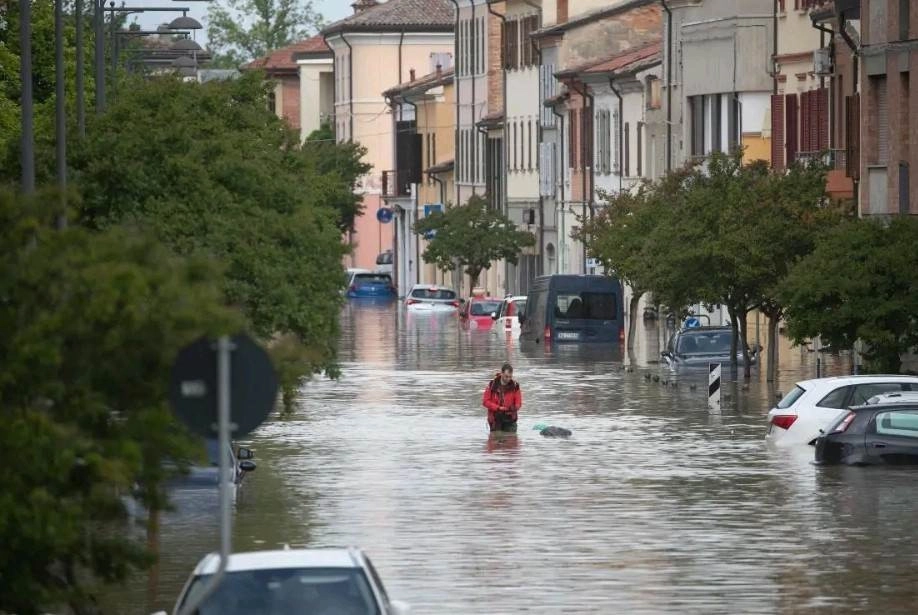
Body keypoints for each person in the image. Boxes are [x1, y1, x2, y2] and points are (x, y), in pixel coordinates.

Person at [482, 362, 522, 432]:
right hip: (495, 419)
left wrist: (513, 407)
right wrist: (498, 408)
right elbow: (485, 402)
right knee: (495, 440)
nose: (508, 379)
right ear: (502, 373)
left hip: (510, 419)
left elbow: (519, 403)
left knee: (511, 440)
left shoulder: (515, 386)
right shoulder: (492, 385)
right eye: (506, 376)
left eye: (510, 377)